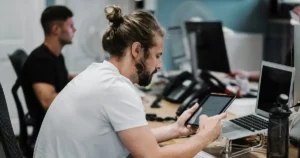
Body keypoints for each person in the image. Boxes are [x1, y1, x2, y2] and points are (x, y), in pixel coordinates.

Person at [33, 5, 226, 158]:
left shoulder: (100, 73)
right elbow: (152, 156)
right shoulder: (115, 89)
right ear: (136, 50)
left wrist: (175, 129)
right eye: (157, 55)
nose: (159, 65)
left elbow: (134, 140)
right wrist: (204, 138)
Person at [20, 5, 76, 142]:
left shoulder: (56, 56)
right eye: (71, 26)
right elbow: (48, 101)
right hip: (50, 134)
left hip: (59, 124)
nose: (74, 30)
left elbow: (60, 78)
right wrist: (83, 98)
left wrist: (87, 79)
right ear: (56, 29)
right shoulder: (41, 60)